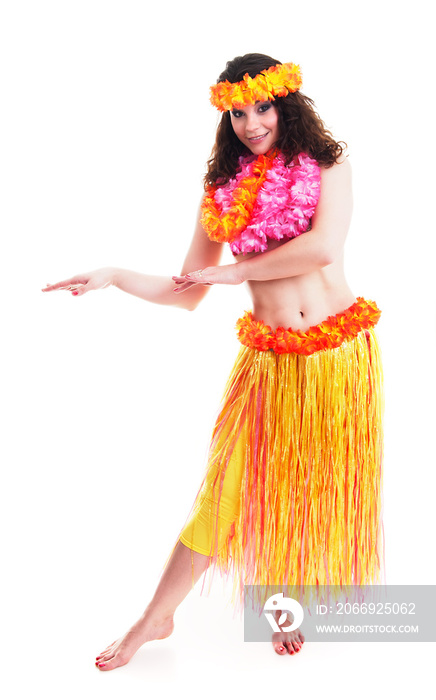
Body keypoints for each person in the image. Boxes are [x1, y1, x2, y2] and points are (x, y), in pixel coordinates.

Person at [42, 53, 384, 667]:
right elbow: (192, 289)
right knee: (226, 491)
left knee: (299, 489)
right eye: (237, 112)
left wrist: (235, 272)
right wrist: (116, 275)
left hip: (336, 356)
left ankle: (282, 604)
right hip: (269, 362)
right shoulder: (222, 193)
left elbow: (322, 248)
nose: (251, 123)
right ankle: (157, 616)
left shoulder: (329, 166)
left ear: (286, 104)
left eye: (262, 107)